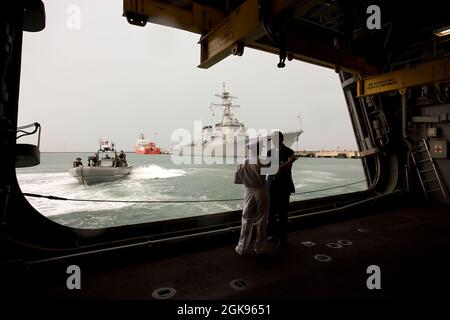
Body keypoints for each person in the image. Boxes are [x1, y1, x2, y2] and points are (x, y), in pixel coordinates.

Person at [234, 140, 269, 256]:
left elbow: (237, 181)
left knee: (246, 220)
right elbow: (275, 170)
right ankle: (259, 248)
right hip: (261, 190)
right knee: (261, 220)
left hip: (248, 191)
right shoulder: (264, 161)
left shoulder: (241, 163)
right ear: (257, 149)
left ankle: (242, 248)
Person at [266, 131, 297, 248]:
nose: (273, 142)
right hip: (271, 186)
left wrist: (282, 166)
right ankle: (273, 234)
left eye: (274, 139)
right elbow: (271, 170)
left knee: (283, 214)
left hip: (284, 186)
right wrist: (288, 162)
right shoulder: (270, 152)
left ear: (281, 139)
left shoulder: (289, 151)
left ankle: (282, 239)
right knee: (271, 213)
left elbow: (280, 171)